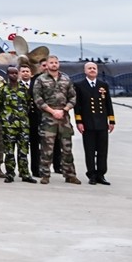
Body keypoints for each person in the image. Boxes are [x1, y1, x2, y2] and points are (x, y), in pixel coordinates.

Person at [33, 54, 81, 185]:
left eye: (56, 62)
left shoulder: (66, 78)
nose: (54, 64)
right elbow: (38, 98)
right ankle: (45, 175)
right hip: (49, 117)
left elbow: (73, 97)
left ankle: (70, 174)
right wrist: (52, 111)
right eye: (51, 62)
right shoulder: (40, 80)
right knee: (47, 148)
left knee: (67, 148)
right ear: (47, 65)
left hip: (64, 117)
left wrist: (65, 109)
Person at [73, 61, 115, 185]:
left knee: (102, 150)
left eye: (94, 68)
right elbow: (78, 106)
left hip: (101, 122)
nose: (92, 70)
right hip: (88, 122)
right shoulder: (79, 85)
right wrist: (79, 122)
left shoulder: (103, 85)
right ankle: (91, 174)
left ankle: (101, 174)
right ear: (85, 71)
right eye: (89, 68)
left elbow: (108, 104)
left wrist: (111, 120)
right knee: (90, 150)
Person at [0, 64, 36, 183]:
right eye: (11, 73)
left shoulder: (24, 88)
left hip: (23, 124)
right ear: (7, 75)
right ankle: (10, 174)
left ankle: (25, 174)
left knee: (23, 150)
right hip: (8, 125)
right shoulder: (2, 88)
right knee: (9, 151)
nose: (13, 75)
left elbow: (28, 103)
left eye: (15, 73)